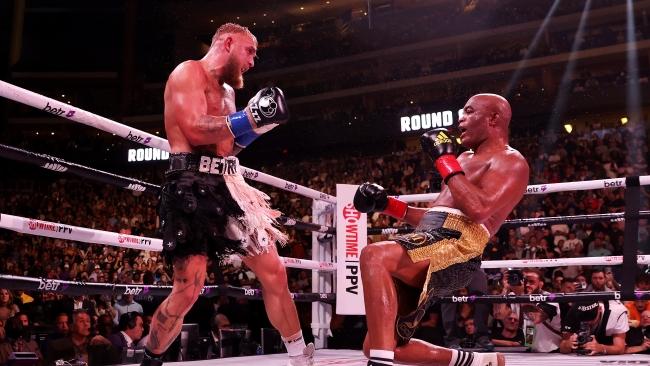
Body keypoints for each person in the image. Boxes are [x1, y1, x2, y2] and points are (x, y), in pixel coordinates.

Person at [141, 23, 312, 366]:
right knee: (189, 287)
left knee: (274, 271)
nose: (253, 61)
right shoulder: (188, 72)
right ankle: (151, 358)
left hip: (226, 185)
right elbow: (192, 126)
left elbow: (226, 146)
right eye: (250, 51)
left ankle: (300, 356)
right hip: (188, 182)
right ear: (228, 42)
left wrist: (257, 127)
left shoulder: (230, 94)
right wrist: (248, 117)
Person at [354, 93, 529, 366]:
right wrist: (386, 205)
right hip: (434, 239)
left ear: (494, 118)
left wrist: (444, 162)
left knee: (373, 255)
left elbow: (479, 209)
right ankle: (479, 362)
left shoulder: (511, 161)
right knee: (380, 344)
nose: (461, 119)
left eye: (470, 112)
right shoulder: (463, 158)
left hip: (459, 246)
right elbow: (437, 216)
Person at [559, 301, 629, 355]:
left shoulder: (617, 312)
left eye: (591, 318)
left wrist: (602, 348)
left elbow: (620, 348)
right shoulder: (573, 312)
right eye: (583, 318)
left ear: (600, 309)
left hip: (607, 349)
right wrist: (568, 344)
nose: (588, 322)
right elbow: (562, 347)